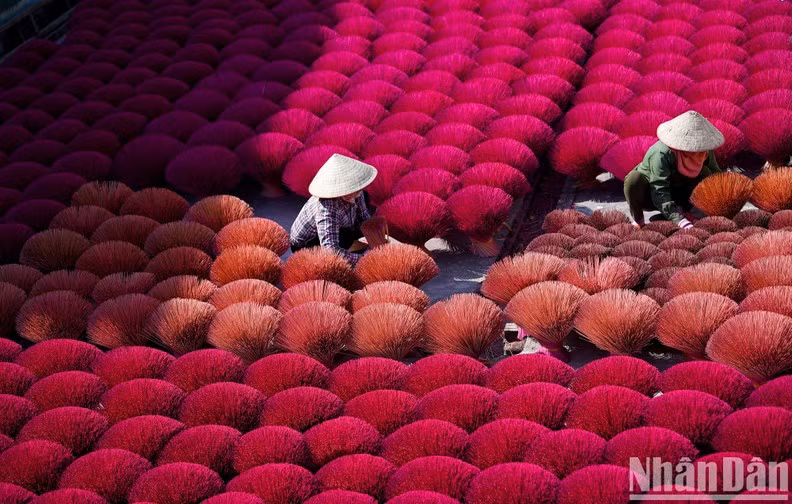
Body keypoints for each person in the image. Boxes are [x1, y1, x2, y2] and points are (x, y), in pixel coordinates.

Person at [623, 110, 724, 229]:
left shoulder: (705, 150)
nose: (696, 149)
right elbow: (659, 189)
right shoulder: (661, 153)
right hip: (652, 195)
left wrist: (718, 204)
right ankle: (640, 221)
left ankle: (688, 214)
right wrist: (679, 220)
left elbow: (717, 177)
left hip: (682, 194)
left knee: (708, 174)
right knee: (633, 179)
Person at [290, 153, 386, 265]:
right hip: (309, 244)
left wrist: (377, 239)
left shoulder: (357, 192)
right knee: (337, 257)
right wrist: (363, 259)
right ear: (343, 191)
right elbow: (330, 251)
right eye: (355, 190)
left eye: (359, 188)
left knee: (365, 197)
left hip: (341, 228)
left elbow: (364, 220)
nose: (359, 193)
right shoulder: (327, 208)